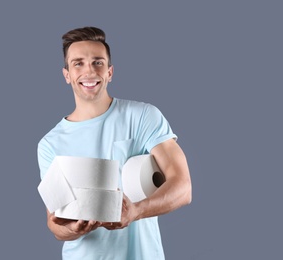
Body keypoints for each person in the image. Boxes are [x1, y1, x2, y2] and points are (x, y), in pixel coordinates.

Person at [37, 26, 192, 260]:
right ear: (66, 74)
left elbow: (183, 188)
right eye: (78, 63)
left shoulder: (142, 117)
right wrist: (72, 229)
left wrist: (136, 212)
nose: (89, 70)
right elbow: (54, 222)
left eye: (97, 62)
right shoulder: (50, 144)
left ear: (110, 72)